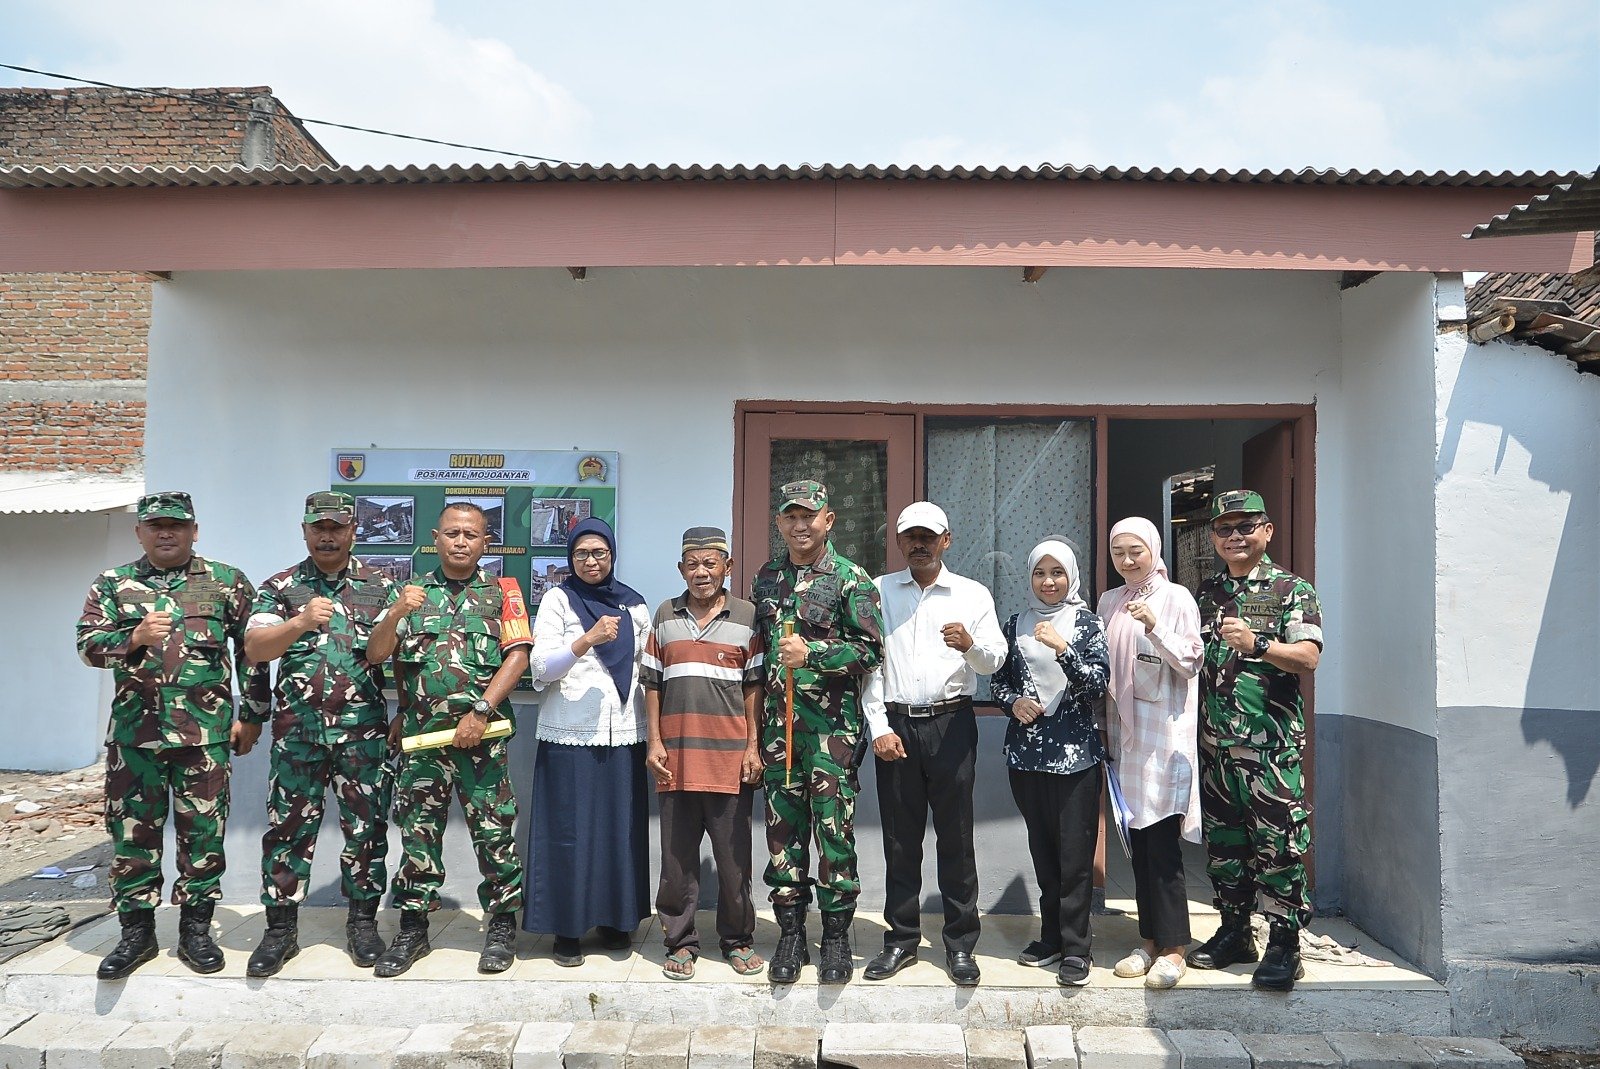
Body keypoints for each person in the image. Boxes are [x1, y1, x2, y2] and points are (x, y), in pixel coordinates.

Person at [75, 490, 270, 980]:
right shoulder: (115, 583)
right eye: (157, 525)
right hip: (135, 739)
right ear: (140, 531)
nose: (167, 533)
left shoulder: (225, 582)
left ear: (194, 531)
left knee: (203, 835)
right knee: (131, 837)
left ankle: (195, 932)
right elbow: (87, 646)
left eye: (177, 526)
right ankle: (135, 935)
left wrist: (252, 715)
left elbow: (254, 651)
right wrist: (132, 639)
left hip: (203, 740)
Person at [367, 501, 532, 977]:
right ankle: (413, 928)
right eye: (453, 533)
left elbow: (517, 658)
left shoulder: (506, 592)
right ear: (435, 538)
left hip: (483, 739)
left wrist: (480, 712)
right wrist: (396, 613)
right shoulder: (410, 592)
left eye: (472, 535)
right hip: (424, 742)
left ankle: (501, 927)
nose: (461, 542)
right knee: (419, 834)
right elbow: (380, 656)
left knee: (494, 834)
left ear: (486, 543)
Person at [241, 492, 397, 977]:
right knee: (288, 830)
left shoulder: (382, 585)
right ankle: (281, 932)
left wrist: (405, 713)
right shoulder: (280, 587)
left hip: (362, 735)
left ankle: (364, 925)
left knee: (366, 830)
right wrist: (300, 621)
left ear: (353, 530)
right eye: (317, 527)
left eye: (336, 526)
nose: (326, 535)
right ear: (304, 531)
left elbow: (404, 655)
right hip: (298, 735)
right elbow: (255, 650)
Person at [860, 502, 1005, 987]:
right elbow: (868, 666)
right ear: (899, 542)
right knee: (901, 841)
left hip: (952, 723)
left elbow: (994, 661)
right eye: (910, 537)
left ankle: (961, 944)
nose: (919, 544)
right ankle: (900, 939)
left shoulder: (971, 594)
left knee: (956, 839)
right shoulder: (878, 592)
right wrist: (878, 727)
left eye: (929, 536)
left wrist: (970, 646)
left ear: (946, 540)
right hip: (896, 725)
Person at [1185, 490, 1323, 992]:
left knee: (1280, 846)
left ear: (1266, 530)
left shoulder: (1293, 590)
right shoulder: (1207, 593)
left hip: (1270, 749)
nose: (1235, 536)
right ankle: (1234, 931)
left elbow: (1308, 658)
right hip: (1216, 746)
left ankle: (1285, 943)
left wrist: (1259, 645)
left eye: (1245, 527)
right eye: (1225, 529)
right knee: (1226, 846)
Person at [751, 479, 885, 985]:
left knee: (833, 836)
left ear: (829, 519)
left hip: (831, 735)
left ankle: (833, 939)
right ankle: (790, 936)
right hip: (778, 733)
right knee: (782, 836)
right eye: (790, 516)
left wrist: (816, 654)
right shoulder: (767, 578)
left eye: (809, 515)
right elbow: (759, 655)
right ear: (779, 523)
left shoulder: (852, 579)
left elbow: (872, 652)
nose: (799, 525)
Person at [524, 517, 653, 966]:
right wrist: (587, 640)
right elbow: (542, 669)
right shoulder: (558, 599)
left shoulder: (634, 604)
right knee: (569, 833)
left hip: (624, 734)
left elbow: (646, 670)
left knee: (619, 830)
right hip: (570, 734)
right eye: (581, 554)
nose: (591, 561)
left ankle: (617, 921)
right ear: (570, 559)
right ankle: (567, 929)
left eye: (599, 552)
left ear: (613, 555)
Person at [641, 527, 766, 980]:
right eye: (692, 564)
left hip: (730, 759)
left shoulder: (747, 616)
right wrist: (654, 742)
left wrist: (752, 747)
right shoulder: (664, 614)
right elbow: (651, 684)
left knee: (734, 862)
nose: (701, 572)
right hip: (674, 758)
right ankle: (679, 941)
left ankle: (737, 939)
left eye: (710, 563)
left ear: (727, 567)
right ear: (681, 569)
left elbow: (755, 687)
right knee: (676, 860)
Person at [990, 539, 1109, 987]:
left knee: (1075, 855)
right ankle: (1051, 936)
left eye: (1057, 572)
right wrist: (1013, 701)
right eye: (1040, 573)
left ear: (1071, 576)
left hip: (1075, 757)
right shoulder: (1014, 624)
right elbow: (998, 683)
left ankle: (1078, 947)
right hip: (1027, 757)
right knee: (1043, 850)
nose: (1049, 581)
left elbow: (1097, 685)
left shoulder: (1087, 623)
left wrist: (1064, 649)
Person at [1096, 517, 1203, 990]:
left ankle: (1176, 947)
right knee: (1136, 846)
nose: (1126, 560)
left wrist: (1156, 627)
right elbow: (1105, 672)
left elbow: (1192, 661)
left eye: (1135, 550)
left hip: (1163, 738)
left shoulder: (1176, 598)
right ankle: (1150, 940)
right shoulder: (1110, 601)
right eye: (1118, 552)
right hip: (1124, 739)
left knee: (1161, 844)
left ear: (1154, 549)